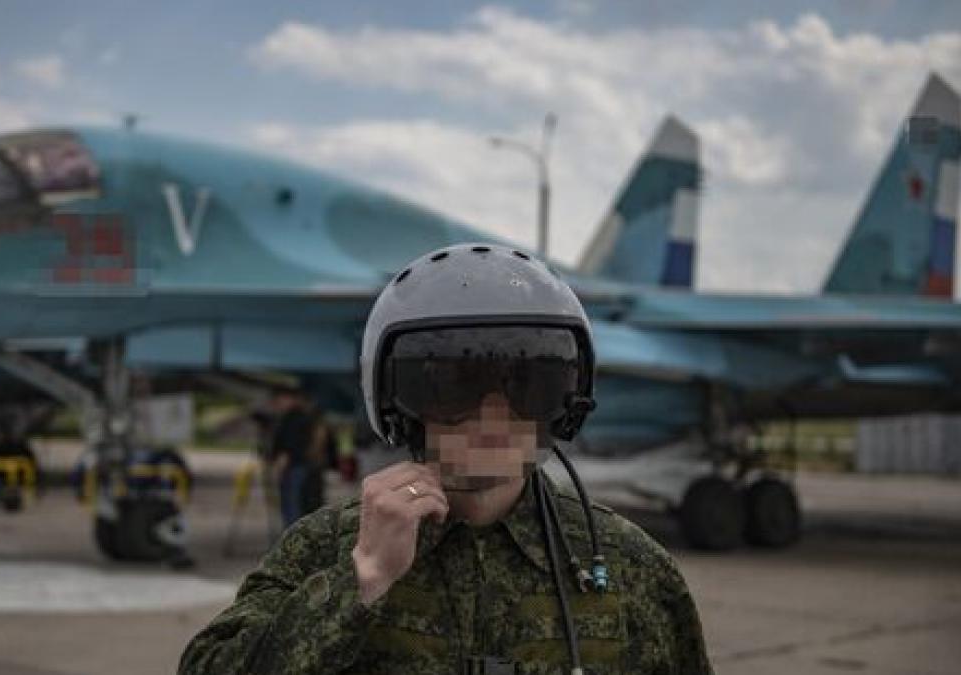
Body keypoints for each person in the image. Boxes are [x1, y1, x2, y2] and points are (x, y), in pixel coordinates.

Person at [179, 243, 713, 674]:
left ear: (563, 401)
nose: (493, 413)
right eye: (454, 385)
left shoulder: (632, 568)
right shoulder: (329, 549)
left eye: (528, 385)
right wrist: (361, 580)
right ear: (397, 402)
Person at [269, 387, 317, 528]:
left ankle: (292, 534)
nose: (278, 404)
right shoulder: (297, 416)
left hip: (293, 466)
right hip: (297, 465)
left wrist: (278, 467)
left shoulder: (293, 418)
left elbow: (289, 446)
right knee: (293, 502)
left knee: (291, 503)